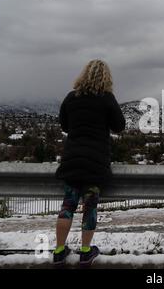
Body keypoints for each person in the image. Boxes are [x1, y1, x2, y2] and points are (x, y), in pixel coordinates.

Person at [53, 59, 126, 267]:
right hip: (96, 163)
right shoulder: (107, 98)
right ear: (106, 78)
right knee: (90, 207)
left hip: (72, 160)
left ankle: (59, 250)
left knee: (67, 206)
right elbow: (119, 126)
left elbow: (64, 125)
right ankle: (86, 252)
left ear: (83, 75)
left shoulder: (71, 97)